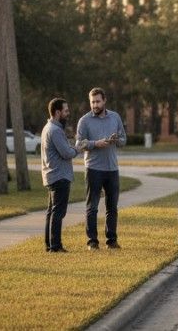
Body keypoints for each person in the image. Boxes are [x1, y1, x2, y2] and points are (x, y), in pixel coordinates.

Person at [76, 88, 126, 250]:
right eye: (92, 102)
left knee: (112, 207)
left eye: (97, 101)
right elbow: (79, 144)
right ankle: (92, 242)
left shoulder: (115, 117)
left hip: (112, 169)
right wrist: (95, 144)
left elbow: (124, 140)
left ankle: (111, 240)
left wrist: (116, 140)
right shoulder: (84, 121)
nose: (95, 105)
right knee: (93, 207)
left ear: (104, 101)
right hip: (93, 169)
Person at [41, 98, 85, 253]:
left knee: (52, 211)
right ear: (57, 112)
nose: (68, 113)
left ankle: (49, 244)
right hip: (59, 176)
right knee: (58, 212)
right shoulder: (55, 130)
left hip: (52, 175)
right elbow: (66, 153)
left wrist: (72, 148)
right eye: (65, 111)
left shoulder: (48, 127)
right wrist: (79, 148)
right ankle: (55, 246)